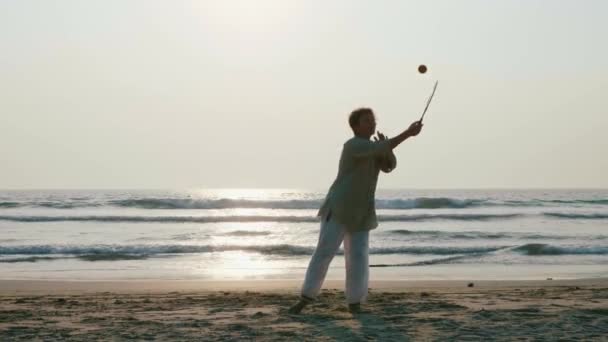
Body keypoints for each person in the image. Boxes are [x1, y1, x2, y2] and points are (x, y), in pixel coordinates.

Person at [288, 107, 423, 314]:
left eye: (373, 121)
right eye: (367, 121)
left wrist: (387, 148)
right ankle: (306, 298)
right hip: (340, 207)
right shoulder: (353, 145)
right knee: (324, 253)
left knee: (358, 257)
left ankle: (355, 302)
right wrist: (407, 134)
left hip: (362, 211)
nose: (372, 124)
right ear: (356, 126)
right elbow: (381, 150)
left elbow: (389, 166)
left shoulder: (373, 146)